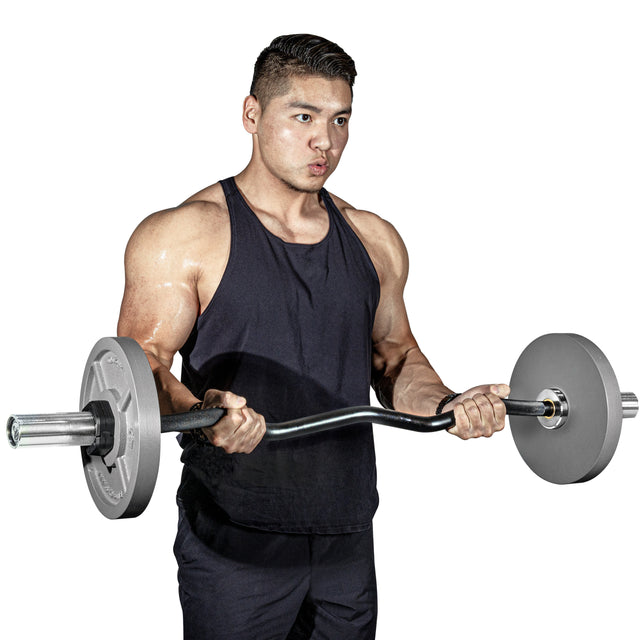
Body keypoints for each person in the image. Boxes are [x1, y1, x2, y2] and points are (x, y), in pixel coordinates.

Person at [117, 34, 509, 640]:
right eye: (303, 116)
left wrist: (447, 404)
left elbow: (396, 356)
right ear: (252, 115)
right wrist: (202, 412)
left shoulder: (373, 239)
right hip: (235, 544)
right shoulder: (185, 235)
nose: (324, 140)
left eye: (340, 119)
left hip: (346, 539)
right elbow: (141, 364)